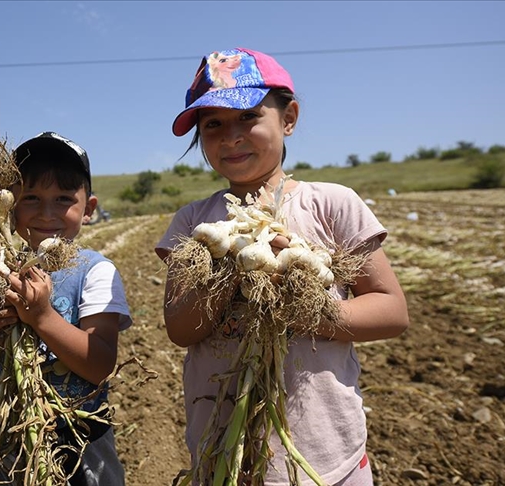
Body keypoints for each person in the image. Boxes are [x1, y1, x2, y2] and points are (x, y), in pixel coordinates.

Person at [154, 47, 410, 485]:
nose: (230, 136)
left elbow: (391, 311)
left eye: (248, 117)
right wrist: (231, 271)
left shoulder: (331, 203)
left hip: (326, 458)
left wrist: (301, 306)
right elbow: (180, 329)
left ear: (288, 117)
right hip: (223, 454)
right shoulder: (194, 222)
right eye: (212, 124)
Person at [0, 132, 133, 485]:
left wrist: (42, 317)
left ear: (89, 210)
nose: (46, 212)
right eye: (32, 198)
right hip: (10, 442)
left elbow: (100, 364)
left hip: (83, 443)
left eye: (63, 199)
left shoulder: (95, 271)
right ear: (6, 208)